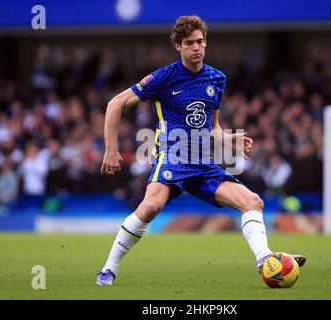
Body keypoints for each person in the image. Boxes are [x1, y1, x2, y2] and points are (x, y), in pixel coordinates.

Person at [96, 16, 306, 286]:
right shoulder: (164, 77)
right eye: (190, 43)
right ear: (177, 46)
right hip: (173, 157)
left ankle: (265, 260)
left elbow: (213, 127)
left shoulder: (216, 79)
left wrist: (229, 139)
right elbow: (116, 103)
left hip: (203, 164)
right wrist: (110, 150)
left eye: (201, 41)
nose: (197, 47)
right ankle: (108, 269)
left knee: (253, 202)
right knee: (149, 207)